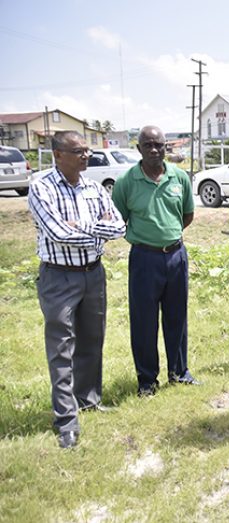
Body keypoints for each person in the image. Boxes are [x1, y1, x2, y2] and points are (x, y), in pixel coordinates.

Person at [28, 131, 126, 448]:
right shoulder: (41, 188)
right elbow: (57, 233)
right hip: (59, 277)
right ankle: (66, 420)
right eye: (78, 151)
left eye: (87, 150)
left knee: (92, 340)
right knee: (61, 348)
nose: (86, 156)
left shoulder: (94, 188)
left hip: (93, 274)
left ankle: (88, 400)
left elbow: (120, 227)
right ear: (58, 154)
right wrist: (96, 230)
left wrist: (80, 228)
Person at [112, 125, 197, 397]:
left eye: (159, 145)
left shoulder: (179, 177)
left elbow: (186, 215)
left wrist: (168, 238)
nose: (154, 150)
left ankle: (179, 373)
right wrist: (148, 238)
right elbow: (118, 219)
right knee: (144, 321)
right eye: (148, 145)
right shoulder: (127, 181)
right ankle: (147, 380)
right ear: (138, 148)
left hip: (175, 256)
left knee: (177, 317)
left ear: (166, 147)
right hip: (144, 259)